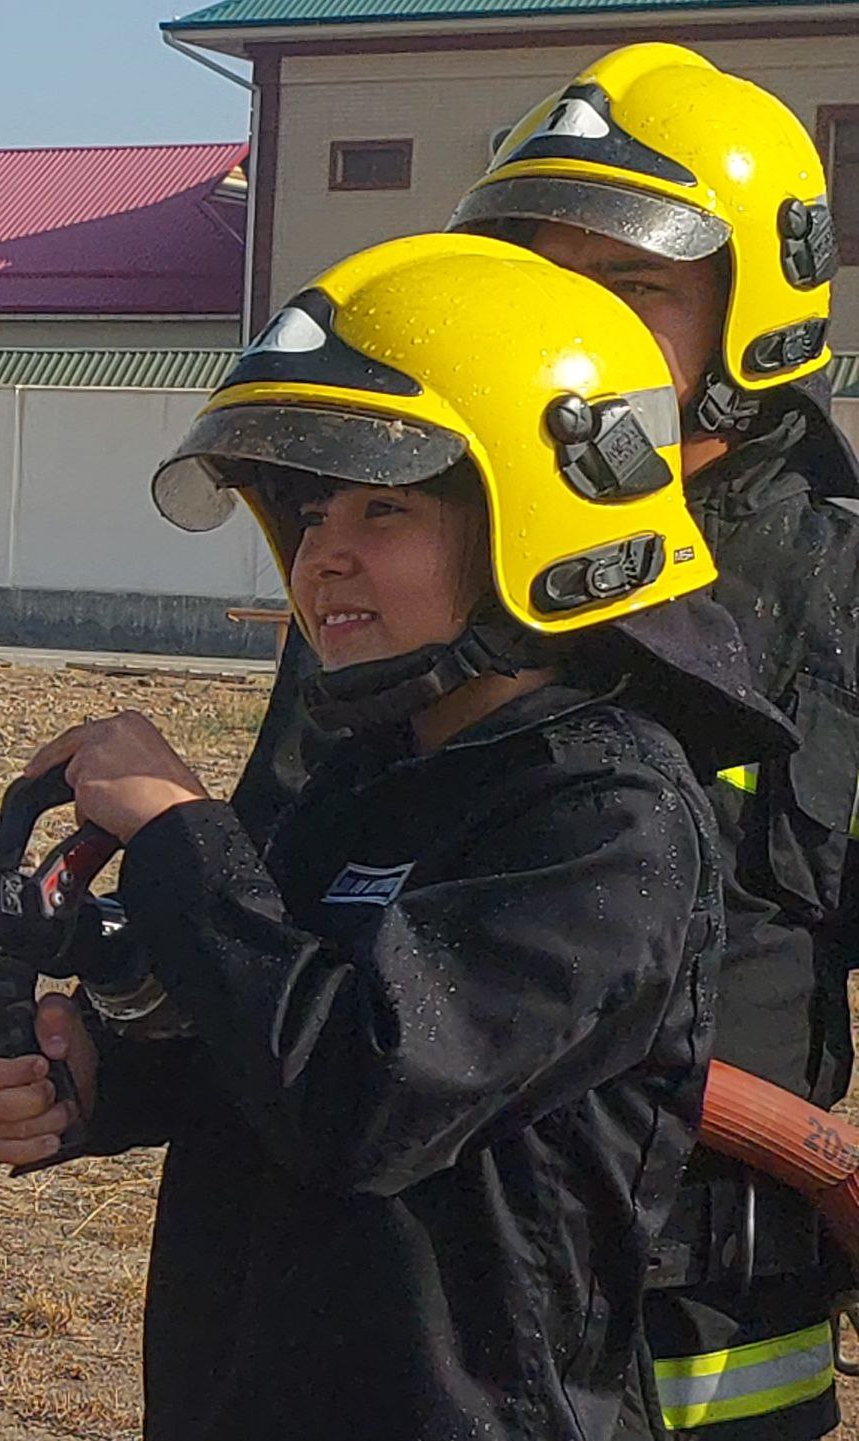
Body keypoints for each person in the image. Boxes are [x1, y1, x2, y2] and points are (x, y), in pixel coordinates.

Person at [0, 232, 789, 1439]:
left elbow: (363, 1095)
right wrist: (100, 1078)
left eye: (385, 507)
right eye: (308, 510)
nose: (323, 552)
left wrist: (185, 832)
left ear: (543, 517)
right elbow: (266, 1042)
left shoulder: (605, 820)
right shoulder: (361, 781)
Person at [241, 44, 859, 1436]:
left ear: (758, 311)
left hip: (713, 1322)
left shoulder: (835, 590)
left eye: (634, 286)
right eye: (541, 276)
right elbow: (282, 904)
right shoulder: (409, 577)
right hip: (439, 1292)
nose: (574, 320)